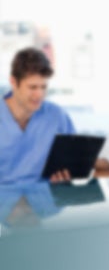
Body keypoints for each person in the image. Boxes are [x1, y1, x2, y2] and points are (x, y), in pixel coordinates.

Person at [0, 47, 76, 184]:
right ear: (13, 82)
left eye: (43, 87)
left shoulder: (57, 116)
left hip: (44, 200)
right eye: (33, 87)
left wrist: (65, 177)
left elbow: (74, 163)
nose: (39, 95)